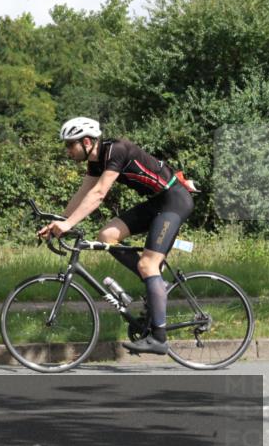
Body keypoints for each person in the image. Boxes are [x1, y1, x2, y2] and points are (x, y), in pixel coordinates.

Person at [38, 117, 195, 355]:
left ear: (87, 141)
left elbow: (99, 194)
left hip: (174, 201)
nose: (67, 151)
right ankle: (156, 283)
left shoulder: (116, 151)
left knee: (147, 263)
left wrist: (69, 224)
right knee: (107, 234)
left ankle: (159, 338)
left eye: (70, 145)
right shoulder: (96, 161)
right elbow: (84, 193)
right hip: (157, 203)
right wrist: (59, 222)